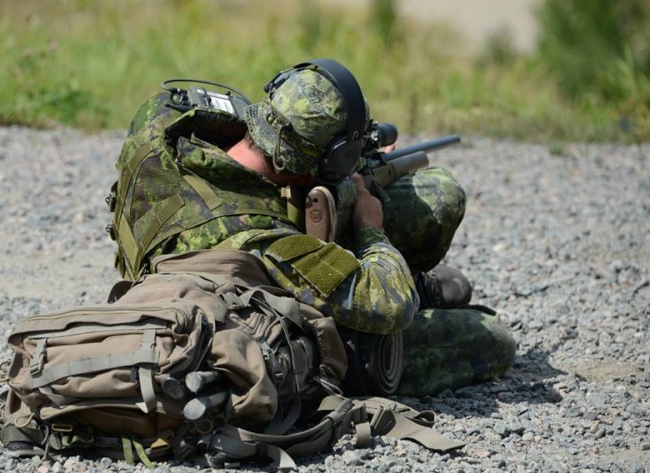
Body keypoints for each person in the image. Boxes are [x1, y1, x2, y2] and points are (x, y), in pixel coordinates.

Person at [106, 59, 515, 397]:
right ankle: (384, 286)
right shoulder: (265, 239)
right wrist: (370, 228)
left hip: (168, 262)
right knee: (493, 336)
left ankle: (394, 276)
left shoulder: (163, 122)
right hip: (236, 316)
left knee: (436, 194)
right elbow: (390, 305)